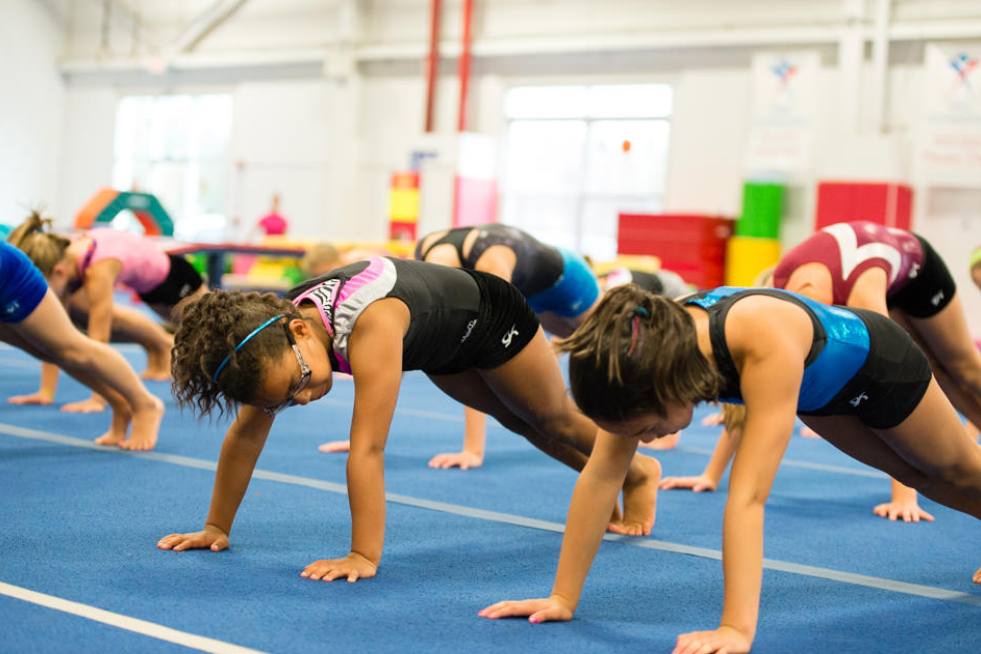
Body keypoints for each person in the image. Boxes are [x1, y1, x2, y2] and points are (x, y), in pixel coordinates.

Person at [479, 284, 981, 653]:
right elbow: (600, 475)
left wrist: (736, 629)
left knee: (954, 472)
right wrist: (562, 595)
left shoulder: (757, 338)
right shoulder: (637, 361)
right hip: (821, 391)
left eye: (649, 428)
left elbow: (748, 498)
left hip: (880, 364)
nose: (647, 441)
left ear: (673, 389)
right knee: (921, 479)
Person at [157, 257, 661, 581]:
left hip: (490, 315)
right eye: (287, 399)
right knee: (517, 423)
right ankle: (621, 474)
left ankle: (638, 473)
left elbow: (368, 449)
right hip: (440, 340)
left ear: (297, 329)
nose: (304, 397)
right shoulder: (271, 342)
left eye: (299, 382)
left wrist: (362, 556)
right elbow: (245, 434)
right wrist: (215, 526)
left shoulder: (370, 324)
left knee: (551, 418)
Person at [773, 220, 981, 520]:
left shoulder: (861, 293)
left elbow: (896, 384)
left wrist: (904, 495)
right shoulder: (780, 293)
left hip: (918, 272)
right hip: (883, 278)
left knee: (961, 366)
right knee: (943, 378)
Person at [7, 211, 206, 411]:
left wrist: (98, 399)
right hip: (149, 288)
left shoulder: (97, 270)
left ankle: (214, 375)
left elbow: (98, 339)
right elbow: (50, 335)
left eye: (47, 286)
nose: (46, 293)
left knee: (203, 332)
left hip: (175, 277)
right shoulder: (66, 257)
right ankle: (161, 354)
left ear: (59, 271)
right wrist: (46, 392)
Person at [0, 241, 163, 449]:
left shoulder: (99, 268)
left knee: (72, 350)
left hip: (7, 274)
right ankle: (119, 403)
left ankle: (144, 403)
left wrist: (93, 399)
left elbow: (99, 331)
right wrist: (46, 391)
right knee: (44, 351)